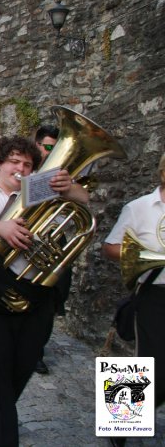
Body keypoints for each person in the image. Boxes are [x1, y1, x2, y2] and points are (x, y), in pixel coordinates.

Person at [0, 135, 83, 447]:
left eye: (28, 164)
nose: (21, 168)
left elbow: (84, 201)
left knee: (24, 367)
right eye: (14, 161)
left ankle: (125, 427)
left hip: (35, 296)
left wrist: (67, 188)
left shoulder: (40, 195)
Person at [101, 152, 165, 447]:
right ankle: (119, 421)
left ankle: (127, 413)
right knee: (151, 363)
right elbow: (110, 247)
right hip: (153, 294)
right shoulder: (139, 208)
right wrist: (146, 257)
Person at [33, 125, 90, 374]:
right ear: (36, 145)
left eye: (54, 148)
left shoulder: (65, 174)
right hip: (27, 237)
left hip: (54, 240)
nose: (49, 152)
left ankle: (37, 347)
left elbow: (85, 198)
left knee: (53, 298)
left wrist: (67, 187)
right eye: (46, 147)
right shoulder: (25, 169)